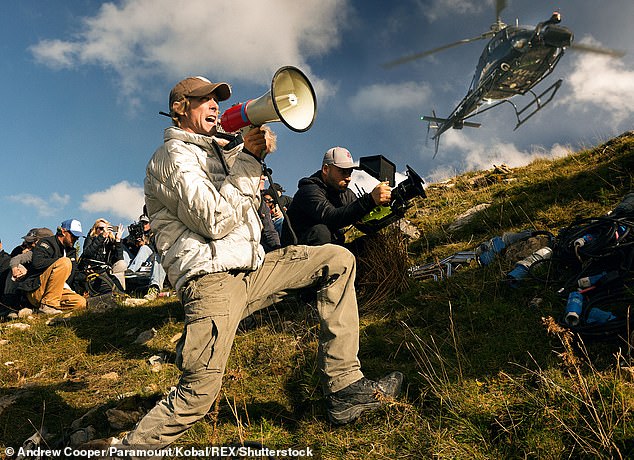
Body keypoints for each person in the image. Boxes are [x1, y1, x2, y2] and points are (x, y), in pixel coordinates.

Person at [112, 75, 402, 453]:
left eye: (218, 99)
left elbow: (245, 203)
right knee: (198, 396)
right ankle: (130, 449)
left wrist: (248, 150)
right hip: (210, 283)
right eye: (205, 99)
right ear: (181, 108)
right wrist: (248, 159)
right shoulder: (172, 157)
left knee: (337, 259)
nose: (215, 105)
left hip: (252, 271)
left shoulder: (219, 152)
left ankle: (345, 386)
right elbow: (214, 220)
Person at [281, 146, 391, 246]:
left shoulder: (345, 193)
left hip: (332, 250)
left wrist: (390, 206)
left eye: (350, 172)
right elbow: (331, 217)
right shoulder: (309, 191)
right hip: (298, 253)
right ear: (326, 169)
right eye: (343, 172)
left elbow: (365, 224)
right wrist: (370, 199)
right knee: (321, 231)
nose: (348, 178)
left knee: (374, 242)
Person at [15, 219, 87, 314]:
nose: (76, 239)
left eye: (78, 237)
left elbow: (75, 274)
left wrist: (86, 277)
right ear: (63, 231)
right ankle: (48, 305)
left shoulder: (71, 251)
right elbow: (37, 263)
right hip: (37, 289)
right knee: (65, 262)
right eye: (73, 236)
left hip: (57, 291)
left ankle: (39, 310)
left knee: (81, 303)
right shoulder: (46, 242)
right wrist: (60, 261)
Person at [2, 228, 54, 310]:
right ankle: (9, 305)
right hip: (31, 289)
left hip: (47, 290)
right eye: (28, 242)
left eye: (31, 242)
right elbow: (15, 259)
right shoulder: (24, 251)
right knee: (15, 269)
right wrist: (16, 269)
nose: (28, 245)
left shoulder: (56, 253)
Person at [79, 218, 127, 294]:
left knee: (121, 265)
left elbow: (119, 258)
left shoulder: (110, 241)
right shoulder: (91, 238)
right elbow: (87, 253)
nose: (103, 231)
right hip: (92, 269)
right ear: (95, 229)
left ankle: (122, 294)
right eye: (101, 228)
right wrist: (101, 237)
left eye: (106, 228)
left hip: (106, 270)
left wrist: (118, 241)